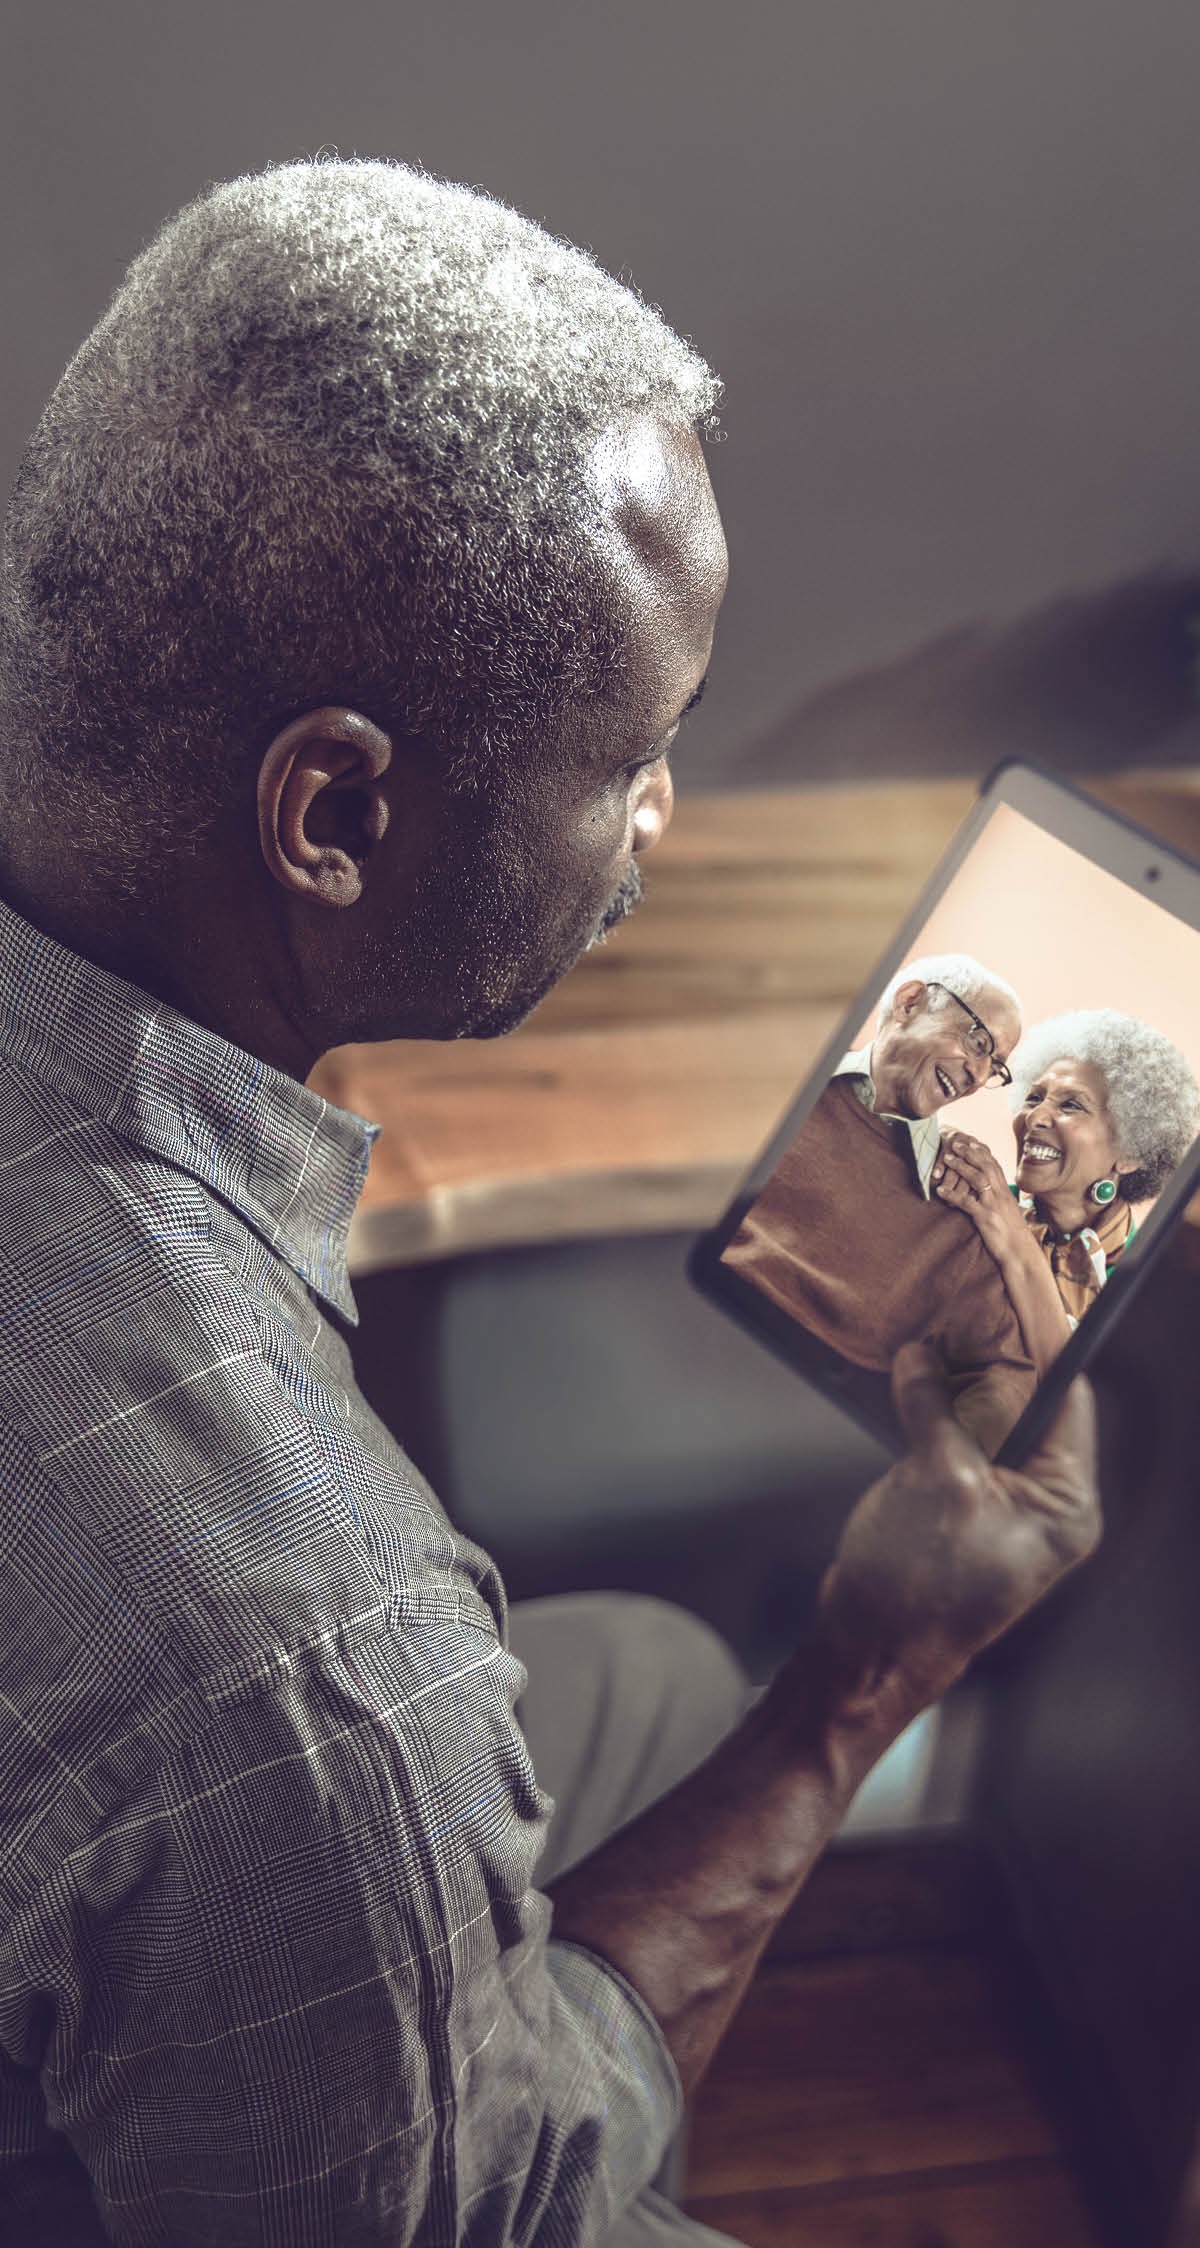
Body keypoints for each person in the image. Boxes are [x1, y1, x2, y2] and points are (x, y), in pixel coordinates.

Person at [0, 159, 1099, 2247]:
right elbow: (475, 2213)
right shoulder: (309, 1664)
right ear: (332, 810)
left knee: (645, 1679)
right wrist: (862, 1676)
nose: (666, 820)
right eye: (637, 753)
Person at [721, 956, 1036, 1455]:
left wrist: (941, 1464)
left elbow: (1006, 1379)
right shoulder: (783, 1071)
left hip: (807, 1426)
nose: (978, 1075)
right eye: (978, 1043)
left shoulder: (960, 1195)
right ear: (911, 1002)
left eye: (994, 1067)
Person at [933, 1007, 1200, 1371]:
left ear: (1130, 1153)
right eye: (1033, 1097)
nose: (1036, 1117)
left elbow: (1071, 1399)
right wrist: (940, 1137)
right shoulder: (975, 1198)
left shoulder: (1141, 1291)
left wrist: (1013, 1237)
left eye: (1071, 1105)